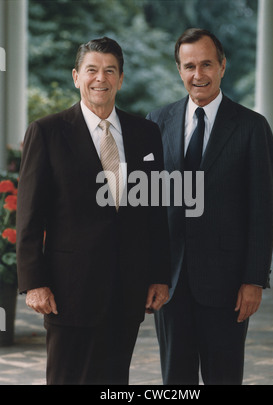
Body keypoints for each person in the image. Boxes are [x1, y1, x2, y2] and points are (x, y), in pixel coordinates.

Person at [16, 37, 170, 385]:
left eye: (109, 71)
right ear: (76, 76)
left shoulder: (146, 133)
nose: (100, 78)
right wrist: (34, 282)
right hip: (68, 290)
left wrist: (160, 274)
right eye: (92, 70)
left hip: (127, 289)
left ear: (121, 79)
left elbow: (155, 210)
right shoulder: (47, 132)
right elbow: (28, 216)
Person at [146, 28, 273, 385]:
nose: (198, 74)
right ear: (179, 70)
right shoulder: (156, 122)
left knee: (224, 377)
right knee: (175, 382)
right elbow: (148, 208)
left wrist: (253, 279)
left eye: (207, 64)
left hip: (228, 285)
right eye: (189, 66)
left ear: (223, 66)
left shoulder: (251, 127)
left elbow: (263, 212)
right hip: (170, 284)